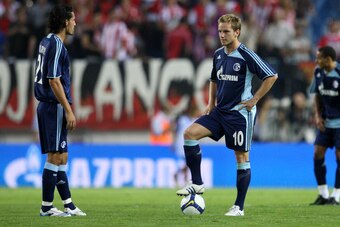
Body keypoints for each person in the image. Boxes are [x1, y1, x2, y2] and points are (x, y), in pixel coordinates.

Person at [175, 14, 278, 216]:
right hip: (219, 111)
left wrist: (255, 99)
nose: (221, 35)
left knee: (241, 157)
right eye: (220, 31)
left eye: (226, 31)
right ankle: (196, 183)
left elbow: (271, 75)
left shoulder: (247, 55)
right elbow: (214, 78)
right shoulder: (218, 54)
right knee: (189, 134)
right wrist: (210, 103)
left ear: (237, 32)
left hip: (239, 115)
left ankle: (238, 207)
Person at [34, 5, 86, 217]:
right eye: (73, 19)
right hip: (53, 106)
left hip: (49, 105)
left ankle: (68, 204)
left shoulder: (46, 41)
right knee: (55, 157)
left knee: (62, 156)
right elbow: (54, 80)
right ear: (65, 22)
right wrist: (68, 109)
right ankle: (47, 207)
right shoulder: (56, 45)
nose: (75, 23)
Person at [309, 46, 340, 205]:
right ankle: (323, 194)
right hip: (326, 123)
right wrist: (318, 116)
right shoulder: (318, 72)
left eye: (319, 58)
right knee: (317, 153)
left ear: (328, 59)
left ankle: (336, 195)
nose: (316, 61)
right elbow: (317, 95)